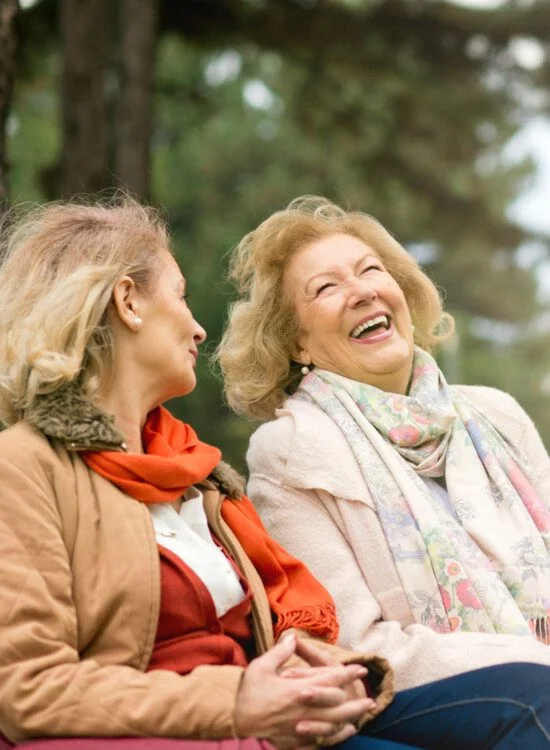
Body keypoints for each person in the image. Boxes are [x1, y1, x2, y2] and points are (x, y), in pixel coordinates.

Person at [0, 197, 408, 750]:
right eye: (180, 294)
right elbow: (27, 689)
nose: (198, 329)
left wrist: (316, 677)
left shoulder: (197, 474)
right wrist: (235, 701)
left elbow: (276, 620)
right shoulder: (23, 467)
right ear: (128, 301)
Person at [217, 195, 550, 749]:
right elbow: (356, 643)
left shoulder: (497, 413)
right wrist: (532, 658)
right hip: (422, 698)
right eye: (325, 288)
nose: (362, 290)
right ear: (296, 341)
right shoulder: (290, 452)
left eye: (371, 271)